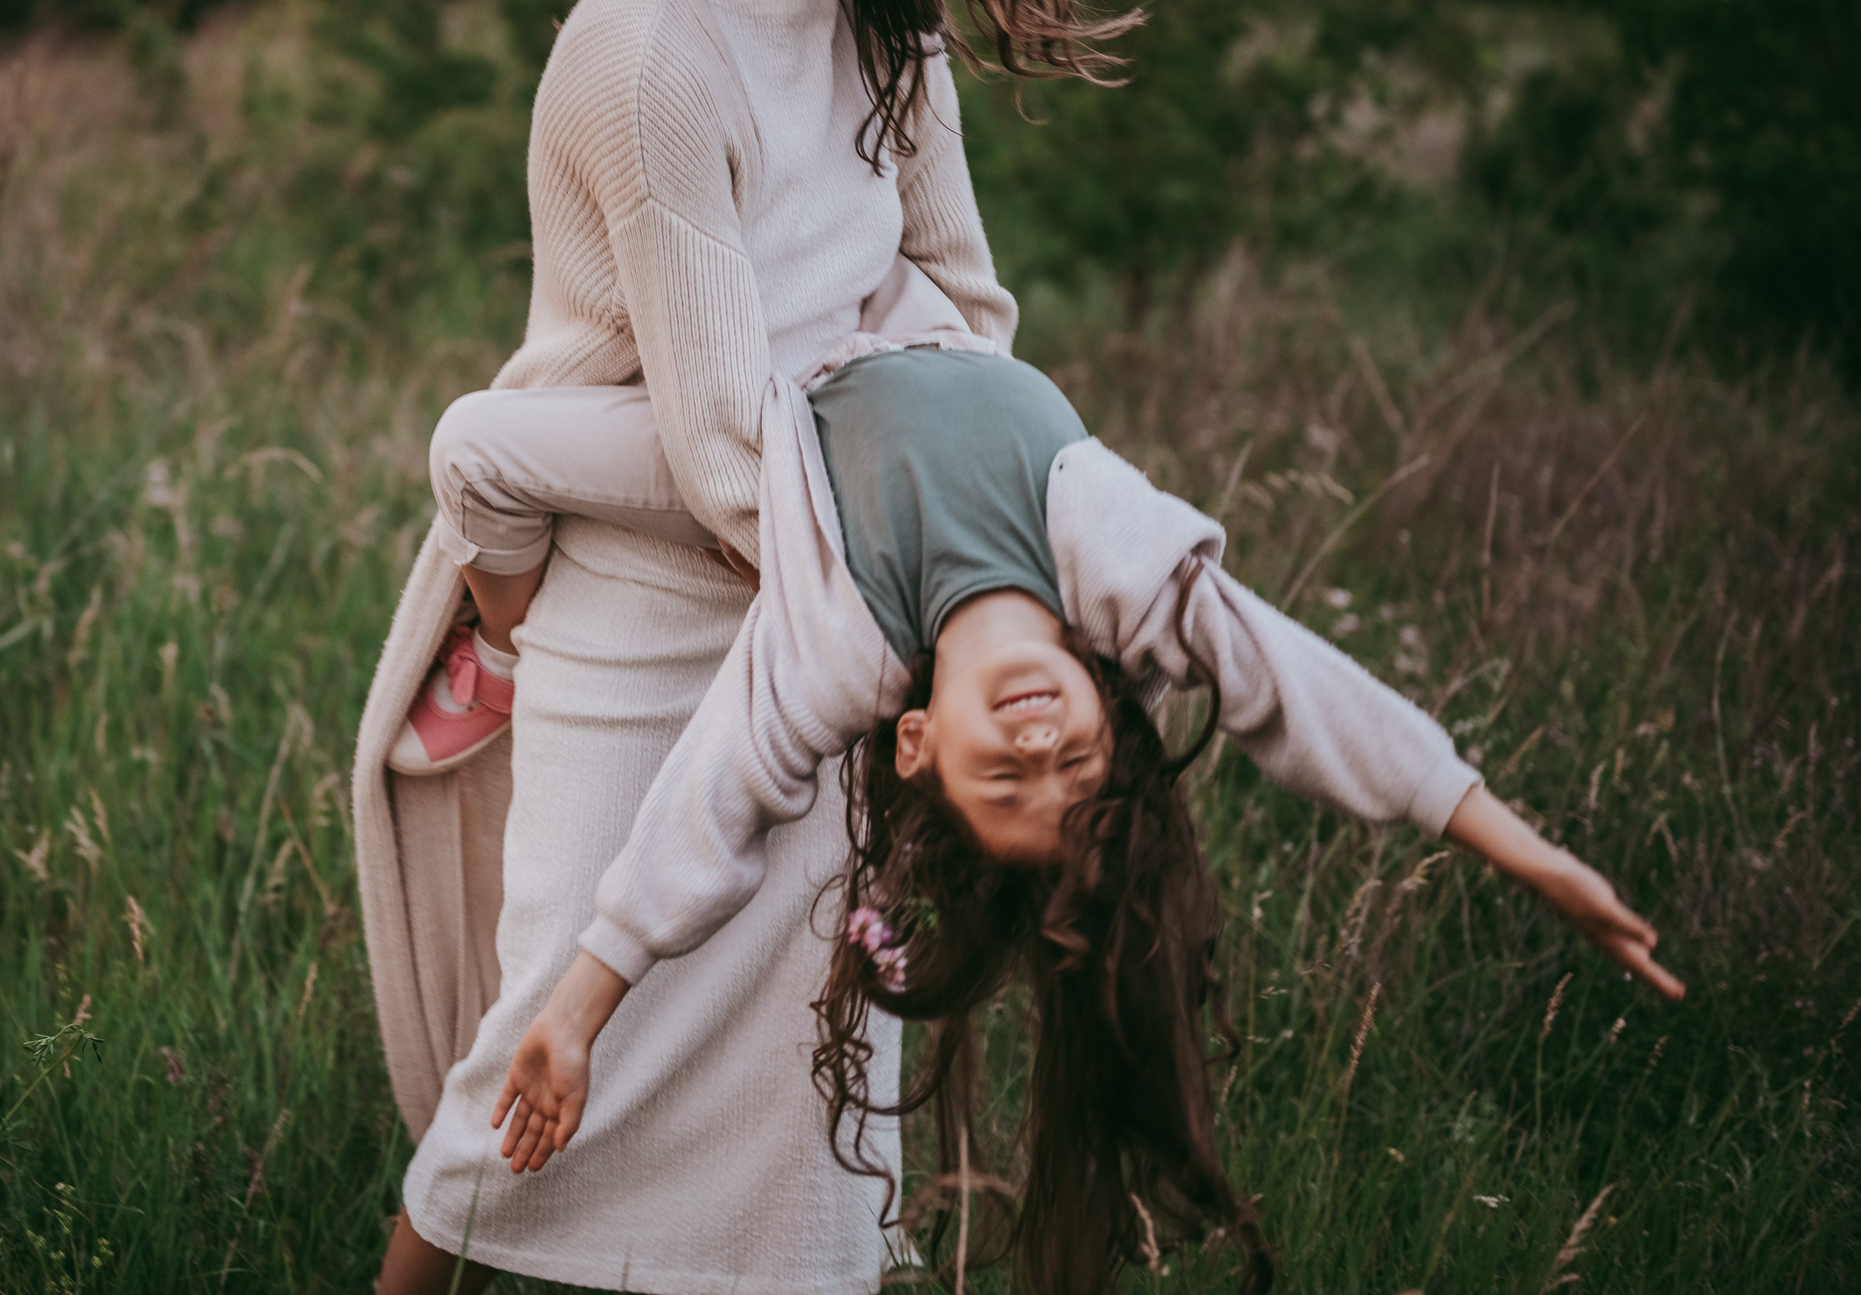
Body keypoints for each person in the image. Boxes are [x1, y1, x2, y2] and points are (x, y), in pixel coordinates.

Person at [351, 0, 1135, 1295]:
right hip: (653, 601)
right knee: (545, 1038)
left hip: (817, 589)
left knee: (811, 1081)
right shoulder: (647, 50)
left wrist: (921, 474)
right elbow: (716, 454)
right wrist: (926, 579)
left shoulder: (890, 40)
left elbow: (975, 316)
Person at [432, 282, 1683, 1292]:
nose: (1040, 744)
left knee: (476, 444)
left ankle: (495, 652)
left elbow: (704, 813)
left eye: (1005, 775)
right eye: (1075, 764)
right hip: (896, 293)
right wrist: (1521, 849)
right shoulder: (1110, 566)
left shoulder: (840, 644)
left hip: (762, 404)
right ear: (1107, 711)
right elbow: (1298, 690)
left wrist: (580, 1009)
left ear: (916, 742)